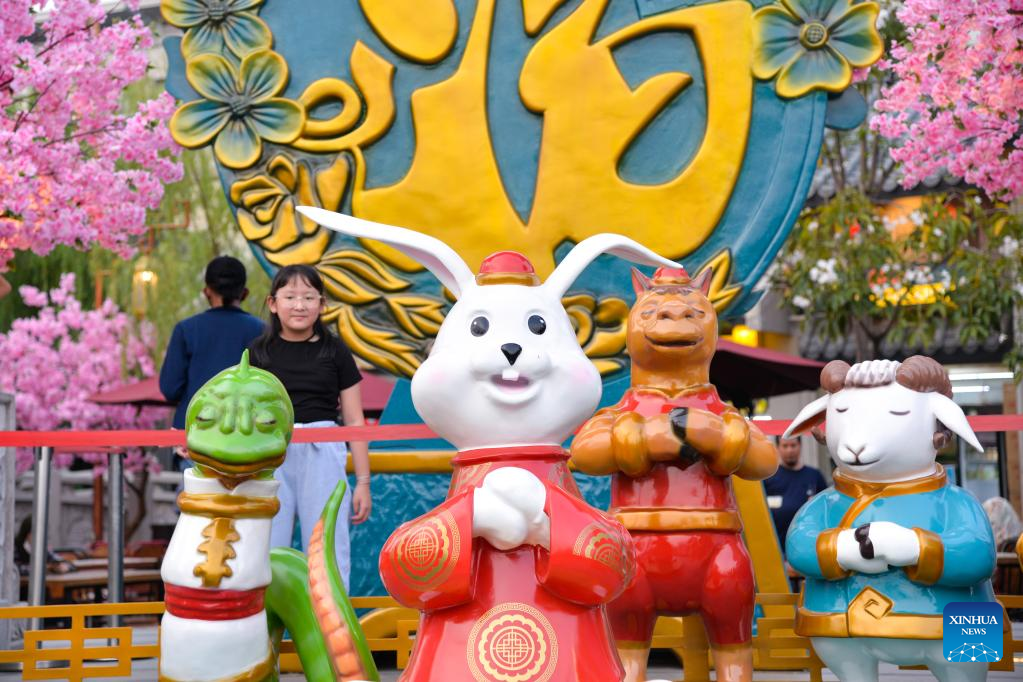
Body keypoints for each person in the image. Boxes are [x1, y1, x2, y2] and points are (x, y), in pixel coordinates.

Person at [248, 264, 371, 590]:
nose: (299, 305)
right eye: (290, 297)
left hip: (324, 452)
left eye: (308, 297)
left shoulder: (336, 351)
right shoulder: (258, 353)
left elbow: (354, 420)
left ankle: (331, 619)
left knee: (326, 543)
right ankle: (264, 618)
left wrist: (363, 482)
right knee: (266, 543)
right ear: (273, 303)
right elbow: (245, 411)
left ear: (322, 304)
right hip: (271, 452)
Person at [159, 256, 265, 437]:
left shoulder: (186, 329)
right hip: (244, 431)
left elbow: (170, 389)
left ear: (206, 291)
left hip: (194, 430)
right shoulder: (261, 330)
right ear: (244, 293)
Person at [763, 435, 826, 548]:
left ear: (800, 446)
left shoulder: (814, 476)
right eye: (785, 446)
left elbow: (825, 509)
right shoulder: (768, 477)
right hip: (776, 547)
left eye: (793, 445)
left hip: (807, 545)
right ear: (778, 448)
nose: (790, 450)